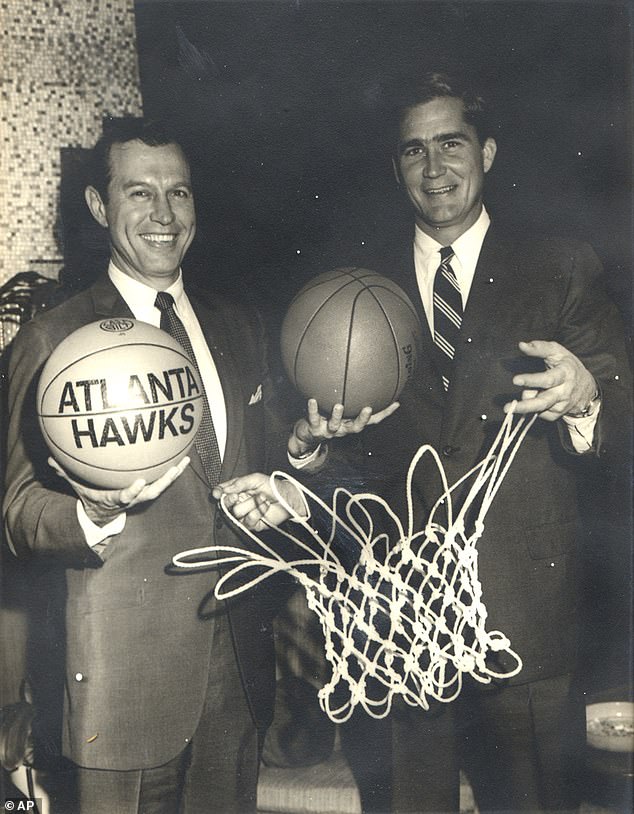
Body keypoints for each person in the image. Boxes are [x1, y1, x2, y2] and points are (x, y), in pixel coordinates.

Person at [215, 72, 632, 812]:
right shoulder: (352, 287)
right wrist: (309, 446)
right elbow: (316, 443)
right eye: (414, 150)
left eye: (451, 144)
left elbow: (621, 412)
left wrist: (586, 398)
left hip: (527, 607)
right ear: (396, 165)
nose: (434, 167)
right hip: (396, 613)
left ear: (487, 153)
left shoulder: (560, 266)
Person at [1, 118, 395, 814]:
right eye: (139, 192)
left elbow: (260, 457)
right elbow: (18, 513)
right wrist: (92, 512)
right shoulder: (53, 340)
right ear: (98, 206)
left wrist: (299, 450)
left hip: (237, 668)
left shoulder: (237, 324)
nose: (163, 214)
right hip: (121, 684)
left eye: (178, 192)